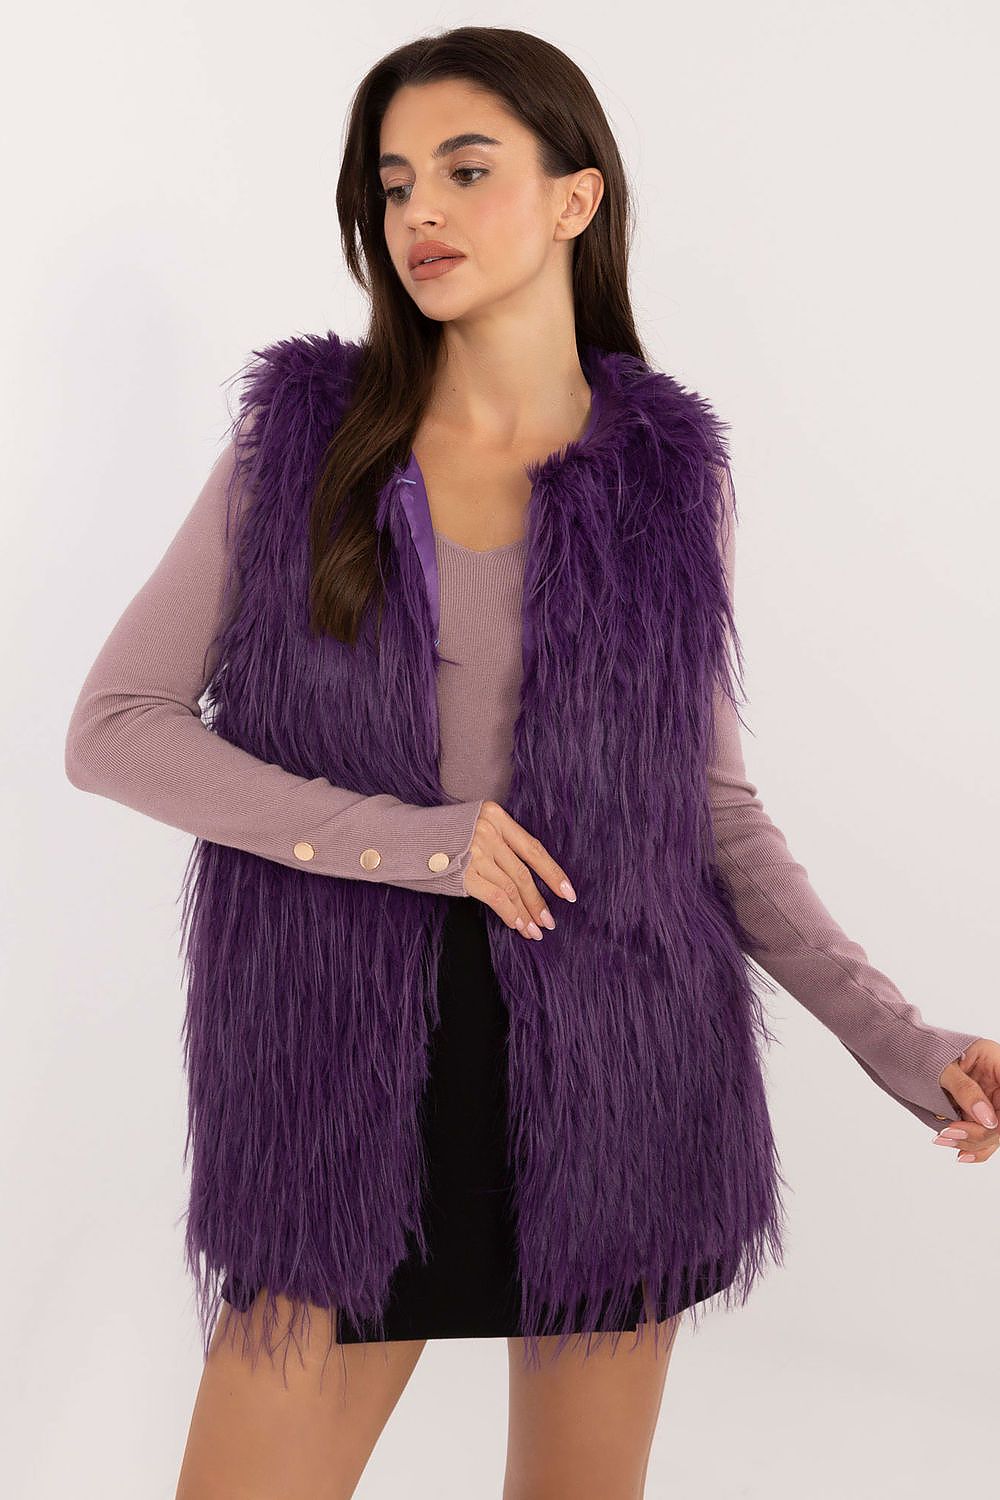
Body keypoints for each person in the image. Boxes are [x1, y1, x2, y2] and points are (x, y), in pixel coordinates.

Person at [64, 26, 996, 1500]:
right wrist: (414, 839)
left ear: (575, 196)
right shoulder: (301, 448)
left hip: (620, 1072)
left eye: (465, 169)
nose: (417, 212)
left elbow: (713, 815)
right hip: (341, 1076)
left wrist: (904, 1043)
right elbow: (115, 727)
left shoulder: (667, 481)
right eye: (392, 183)